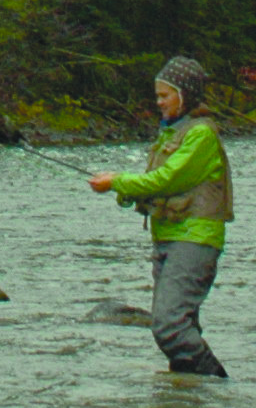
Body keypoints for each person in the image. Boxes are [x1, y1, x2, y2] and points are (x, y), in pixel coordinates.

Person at [87, 54, 232, 377]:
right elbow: (159, 187)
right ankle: (190, 397)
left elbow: (167, 180)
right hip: (168, 237)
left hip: (194, 240)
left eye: (165, 95)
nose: (159, 102)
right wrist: (122, 189)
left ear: (186, 95)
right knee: (182, 325)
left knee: (169, 326)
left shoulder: (201, 135)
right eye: (158, 95)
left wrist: (117, 182)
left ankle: (218, 384)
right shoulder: (171, 133)